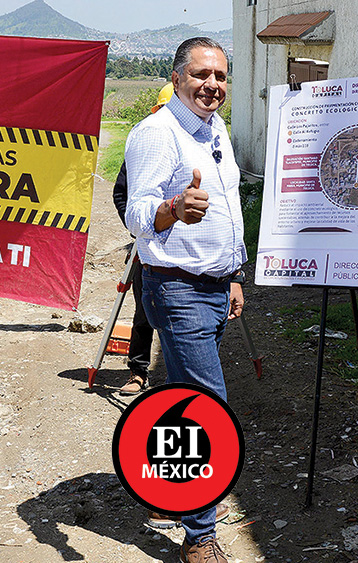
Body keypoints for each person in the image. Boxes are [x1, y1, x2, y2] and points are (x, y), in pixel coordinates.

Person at [124, 37, 244, 563]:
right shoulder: (155, 133)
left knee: (183, 400)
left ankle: (171, 492)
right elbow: (136, 214)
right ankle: (200, 537)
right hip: (176, 288)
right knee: (206, 406)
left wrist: (234, 274)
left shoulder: (217, 131)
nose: (211, 85)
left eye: (220, 76)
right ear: (176, 79)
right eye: (200, 75)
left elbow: (230, 211)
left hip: (215, 286)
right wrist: (173, 208)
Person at [111, 83, 174, 396]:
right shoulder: (144, 147)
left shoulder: (192, 147)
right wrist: (136, 226)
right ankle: (138, 372)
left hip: (184, 247)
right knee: (143, 310)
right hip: (146, 243)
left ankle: (182, 375)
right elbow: (120, 192)